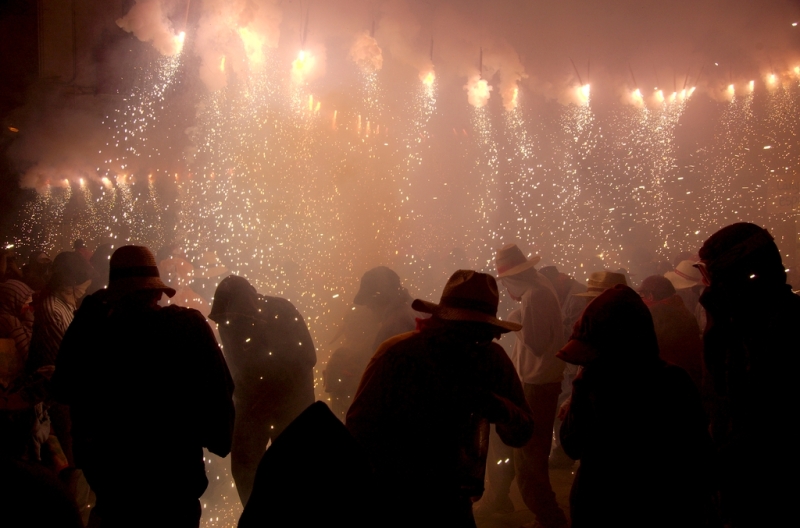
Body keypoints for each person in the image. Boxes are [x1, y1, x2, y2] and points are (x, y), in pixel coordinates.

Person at [52, 246, 234, 528]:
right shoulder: (187, 327)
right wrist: (216, 439)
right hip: (174, 485)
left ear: (114, 294)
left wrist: (90, 310)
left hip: (114, 488)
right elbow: (219, 400)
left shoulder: (95, 333)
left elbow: (62, 387)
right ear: (157, 292)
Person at [346, 270, 534, 528]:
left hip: (453, 497)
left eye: (480, 333)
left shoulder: (490, 358)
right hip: (396, 494)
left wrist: (496, 406)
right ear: (443, 322)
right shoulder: (400, 354)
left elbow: (523, 431)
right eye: (463, 330)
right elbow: (359, 428)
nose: (470, 341)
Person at [558, 285, 712, 527]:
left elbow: (571, 444)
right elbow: (700, 453)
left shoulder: (595, 382)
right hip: (667, 505)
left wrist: (581, 386)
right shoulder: (674, 379)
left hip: (603, 504)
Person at [696, 223, 800, 527]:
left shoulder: (782, 327)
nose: (707, 286)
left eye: (712, 276)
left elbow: (766, 420)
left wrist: (717, 464)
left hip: (768, 488)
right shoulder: (738, 323)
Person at [209, 275, 316, 506]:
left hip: (290, 402)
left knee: (294, 469)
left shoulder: (281, 310)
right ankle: (258, 517)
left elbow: (307, 356)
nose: (228, 324)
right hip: (252, 402)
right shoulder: (229, 321)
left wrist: (271, 383)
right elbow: (236, 367)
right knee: (245, 467)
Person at [494, 244, 568, 528]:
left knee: (529, 457)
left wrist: (513, 322)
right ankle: (545, 514)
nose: (506, 289)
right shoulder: (538, 287)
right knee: (529, 454)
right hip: (539, 381)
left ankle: (548, 517)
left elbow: (535, 343)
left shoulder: (535, 295)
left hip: (537, 383)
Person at [639, 275, 703, 389]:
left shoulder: (654, 314)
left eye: (642, 295)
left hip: (668, 382)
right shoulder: (682, 309)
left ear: (650, 295)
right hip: (692, 378)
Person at [353, 266, 418, 351]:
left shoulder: (389, 330)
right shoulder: (414, 312)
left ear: (379, 298)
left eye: (368, 300)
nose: (367, 306)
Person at [0, 280, 35, 379]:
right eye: (25, 303)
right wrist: (29, 321)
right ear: (12, 301)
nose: (28, 307)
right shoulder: (10, 322)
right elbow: (27, 353)